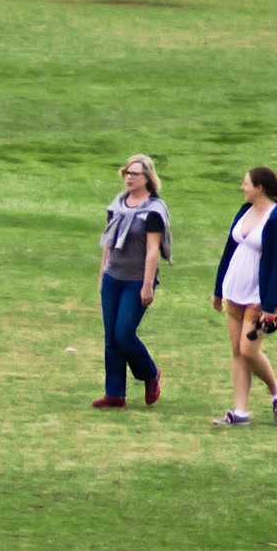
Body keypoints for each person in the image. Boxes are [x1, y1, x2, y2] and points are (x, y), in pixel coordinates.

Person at [211, 166, 277, 425]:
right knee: (236, 350)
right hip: (234, 290)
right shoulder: (244, 210)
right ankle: (240, 411)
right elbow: (229, 250)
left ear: (259, 188)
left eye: (246, 183)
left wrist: (271, 305)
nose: (242, 187)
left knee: (249, 350)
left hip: (260, 296)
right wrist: (218, 289)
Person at [95, 154, 169, 409]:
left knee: (124, 334)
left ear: (147, 178)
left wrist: (147, 285)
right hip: (113, 278)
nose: (128, 176)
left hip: (136, 280)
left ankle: (150, 373)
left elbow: (152, 250)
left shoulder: (154, 211)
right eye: (126, 172)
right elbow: (108, 242)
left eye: (134, 173)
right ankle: (114, 394)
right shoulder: (117, 204)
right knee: (111, 338)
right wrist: (102, 274)